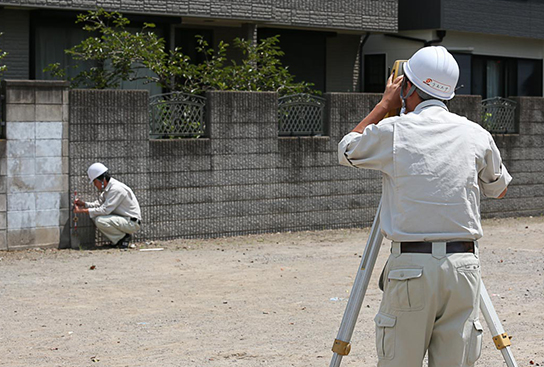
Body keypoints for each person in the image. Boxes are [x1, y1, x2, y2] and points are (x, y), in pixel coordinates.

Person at [338, 46, 511, 367]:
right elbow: (498, 190)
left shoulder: (394, 132)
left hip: (411, 270)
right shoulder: (476, 134)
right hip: (464, 268)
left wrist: (383, 105)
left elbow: (346, 149)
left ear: (406, 87)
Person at [74, 163, 142, 248]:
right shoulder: (108, 188)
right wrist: (84, 204)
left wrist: (82, 211)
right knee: (95, 216)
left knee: (100, 220)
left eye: (95, 182)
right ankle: (119, 239)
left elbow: (105, 210)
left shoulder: (116, 189)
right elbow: (98, 204)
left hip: (131, 222)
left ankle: (122, 239)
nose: (95, 185)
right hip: (124, 219)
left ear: (102, 180)